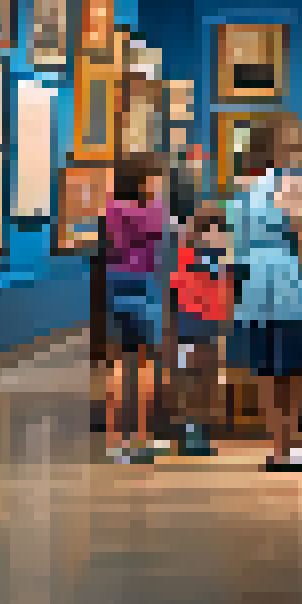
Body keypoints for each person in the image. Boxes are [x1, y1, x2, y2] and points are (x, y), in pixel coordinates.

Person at [230, 118, 302, 470]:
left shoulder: (245, 188)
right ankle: (293, 443)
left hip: (254, 285)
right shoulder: (295, 183)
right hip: (287, 282)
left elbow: (236, 247)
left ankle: (277, 446)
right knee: (295, 367)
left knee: (266, 369)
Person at [102, 155, 171, 464]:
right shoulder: (155, 210)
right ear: (143, 180)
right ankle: (142, 439)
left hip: (116, 282)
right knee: (146, 363)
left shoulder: (112, 209)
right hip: (145, 284)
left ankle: (115, 441)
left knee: (118, 362)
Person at [169, 203, 233, 456]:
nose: (216, 234)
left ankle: (201, 432)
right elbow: (176, 295)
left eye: (220, 229)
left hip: (212, 329)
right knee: (190, 381)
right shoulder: (185, 258)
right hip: (188, 328)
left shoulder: (223, 262)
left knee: (207, 382)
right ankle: (189, 432)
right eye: (210, 229)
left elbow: (226, 296)